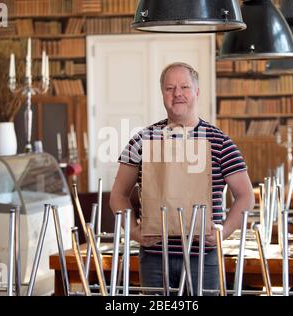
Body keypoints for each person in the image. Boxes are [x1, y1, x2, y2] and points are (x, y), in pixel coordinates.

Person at [109, 62, 255, 295]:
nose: (177, 93)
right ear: (162, 94)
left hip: (203, 257)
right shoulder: (142, 140)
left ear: (196, 92)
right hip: (154, 258)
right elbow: (118, 196)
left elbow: (246, 196)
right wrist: (135, 232)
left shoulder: (220, 142)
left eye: (184, 87)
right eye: (170, 88)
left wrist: (223, 233)